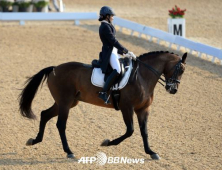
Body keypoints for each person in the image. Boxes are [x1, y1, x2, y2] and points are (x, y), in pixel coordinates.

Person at [98, 6, 136, 104]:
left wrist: (123, 53)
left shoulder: (107, 25)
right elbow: (113, 41)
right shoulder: (105, 26)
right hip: (109, 53)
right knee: (118, 70)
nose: (113, 17)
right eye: (111, 16)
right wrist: (126, 51)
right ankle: (103, 92)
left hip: (114, 51)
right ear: (107, 16)